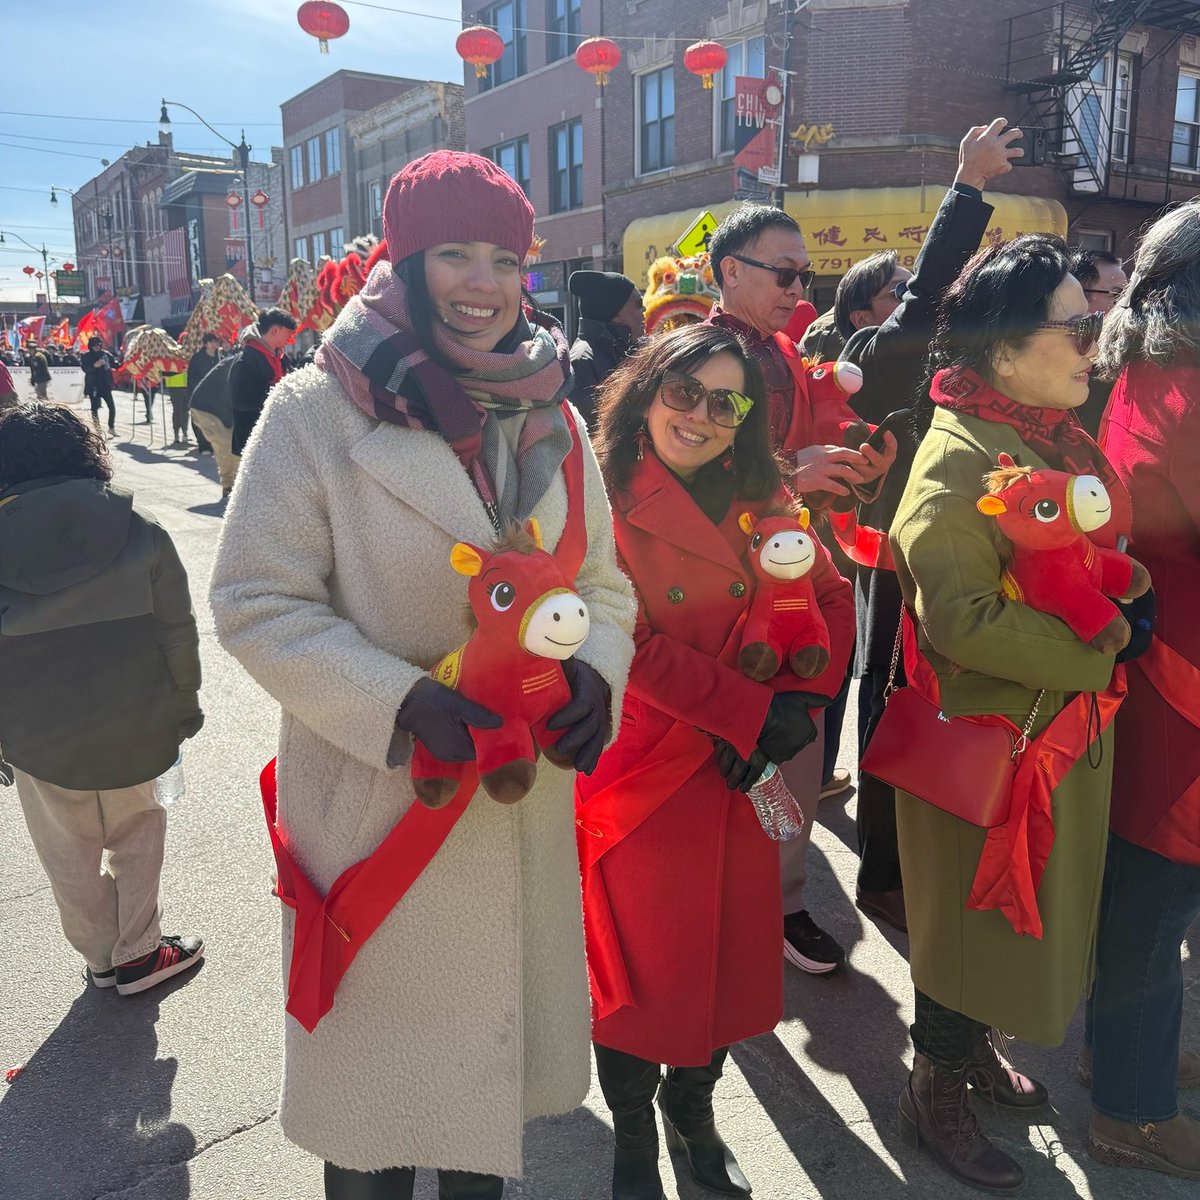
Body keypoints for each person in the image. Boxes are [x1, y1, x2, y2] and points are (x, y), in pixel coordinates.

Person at [209, 150, 636, 1200]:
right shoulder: (315, 409)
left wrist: (594, 676)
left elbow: (603, 585)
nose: (483, 283)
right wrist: (398, 703)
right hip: (381, 804)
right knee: (375, 1127)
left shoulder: (554, 413)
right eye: (454, 253)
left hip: (514, 804)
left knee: (485, 1116)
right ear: (405, 262)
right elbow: (256, 600)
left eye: (503, 256)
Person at [581, 322, 853, 1200]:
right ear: (646, 392)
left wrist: (804, 705)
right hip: (650, 774)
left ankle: (693, 1113)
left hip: (747, 773)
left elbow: (830, 594)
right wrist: (747, 716)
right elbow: (624, 637)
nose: (699, 415)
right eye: (683, 392)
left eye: (725, 401)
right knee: (638, 972)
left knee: (733, 962)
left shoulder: (762, 491)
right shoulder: (597, 497)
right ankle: (632, 1134)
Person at [889, 234, 1133, 1193]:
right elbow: (960, 617)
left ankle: (968, 1054)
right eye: (1075, 324)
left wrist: (1124, 588)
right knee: (967, 926)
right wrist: (1102, 645)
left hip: (1047, 738)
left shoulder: (1040, 434)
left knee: (1005, 926)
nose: (1094, 340)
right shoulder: (961, 455)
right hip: (993, 749)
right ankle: (932, 1089)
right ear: (1002, 351)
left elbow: (1070, 558)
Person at [841, 118, 1023, 934]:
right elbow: (923, 297)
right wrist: (968, 191)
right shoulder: (888, 353)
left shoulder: (978, 376)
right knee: (892, 708)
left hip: (961, 560)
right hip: (890, 562)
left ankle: (929, 854)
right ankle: (884, 874)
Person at [706, 202, 896, 975]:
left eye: (802, 273)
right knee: (723, 750)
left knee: (799, 747)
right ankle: (725, 903)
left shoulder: (786, 352)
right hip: (716, 591)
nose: (796, 286)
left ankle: (781, 904)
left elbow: (815, 459)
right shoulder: (692, 356)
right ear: (730, 271)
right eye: (782, 272)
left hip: (795, 577)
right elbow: (665, 482)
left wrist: (854, 468)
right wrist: (792, 477)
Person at [0, 402, 205, 996]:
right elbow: (177, 632)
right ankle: (141, 952)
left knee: (66, 850)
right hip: (135, 719)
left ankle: (101, 958)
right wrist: (184, 705)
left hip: (34, 733)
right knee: (139, 831)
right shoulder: (139, 530)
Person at [1084, 199, 1200, 1181]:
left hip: (1156, 664)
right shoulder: (1178, 387)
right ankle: (1131, 1100)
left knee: (1147, 897)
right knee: (1154, 901)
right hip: (1183, 679)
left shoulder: (1136, 366)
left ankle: (1136, 1058)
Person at [567, 270, 644, 429]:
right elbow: (591, 436)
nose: (644, 312)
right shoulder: (582, 363)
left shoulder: (631, 349)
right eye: (638, 304)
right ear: (616, 313)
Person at [1068, 247, 1129, 438]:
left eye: (1128, 294)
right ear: (1079, 294)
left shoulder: (1126, 354)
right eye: (1117, 294)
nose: (1126, 304)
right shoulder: (1063, 357)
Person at [229, 307, 297, 456]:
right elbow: (243, 403)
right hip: (253, 443)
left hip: (276, 439)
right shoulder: (244, 361)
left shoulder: (281, 358)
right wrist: (279, 392)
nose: (291, 338)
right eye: (288, 333)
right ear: (275, 331)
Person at [80, 335, 118, 434]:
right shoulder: (86, 356)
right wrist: (94, 365)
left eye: (98, 345)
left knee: (112, 407)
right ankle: (97, 428)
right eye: (94, 345)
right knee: (94, 408)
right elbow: (85, 369)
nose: (96, 347)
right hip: (93, 385)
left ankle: (111, 426)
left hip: (105, 385)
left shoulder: (106, 354)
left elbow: (114, 364)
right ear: (90, 346)